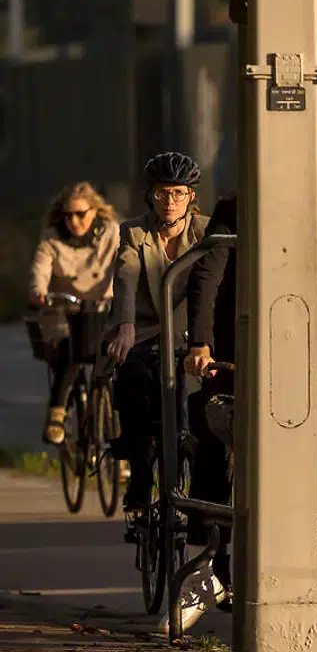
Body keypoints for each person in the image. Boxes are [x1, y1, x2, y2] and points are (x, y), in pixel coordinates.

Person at [174, 194, 317, 635]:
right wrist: (200, 343)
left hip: (304, 355)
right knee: (215, 431)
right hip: (239, 351)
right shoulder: (232, 211)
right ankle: (212, 560)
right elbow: (209, 273)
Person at [107, 153, 209, 515]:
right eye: (163, 193)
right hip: (143, 331)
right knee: (133, 383)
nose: (170, 202)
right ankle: (138, 473)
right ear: (150, 195)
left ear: (191, 197)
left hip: (190, 335)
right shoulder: (134, 231)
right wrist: (126, 325)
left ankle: (197, 486)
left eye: (179, 194)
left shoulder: (207, 232)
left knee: (197, 405)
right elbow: (127, 275)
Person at [29, 182, 121, 444]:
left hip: (102, 309)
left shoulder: (111, 232)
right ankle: (57, 412)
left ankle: (121, 448)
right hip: (63, 309)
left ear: (95, 211)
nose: (74, 221)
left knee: (117, 362)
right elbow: (40, 269)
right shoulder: (52, 238)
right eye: (68, 214)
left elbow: (124, 262)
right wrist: (38, 291)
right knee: (69, 352)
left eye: (81, 213)